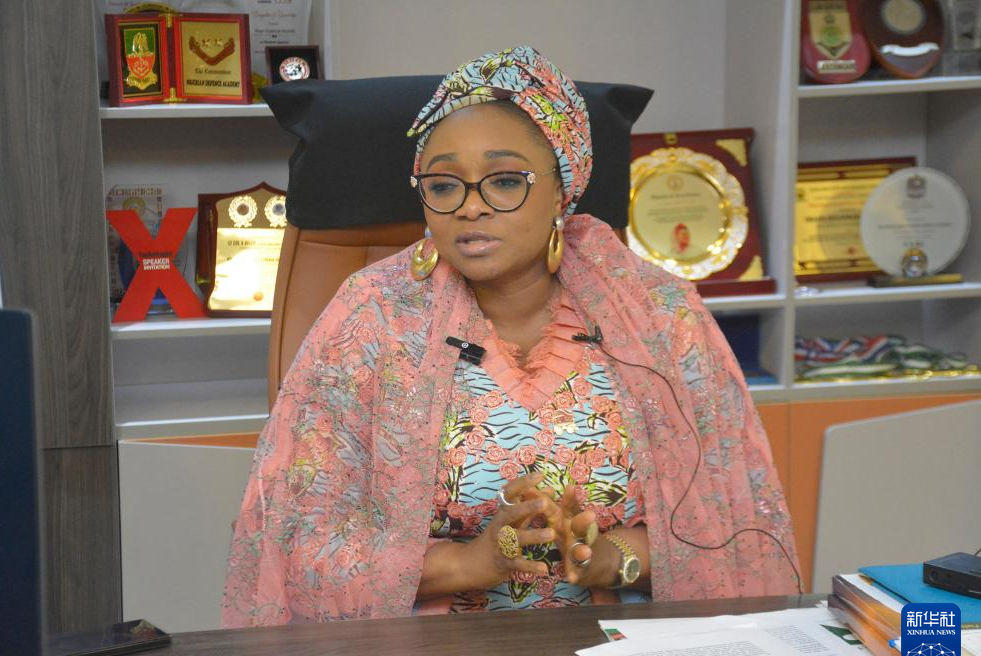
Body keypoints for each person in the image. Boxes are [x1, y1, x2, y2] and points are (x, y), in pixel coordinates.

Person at [222, 45, 799, 626]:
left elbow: (732, 532)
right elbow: (298, 539)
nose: (470, 208)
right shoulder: (371, 318)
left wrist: (608, 559)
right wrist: (469, 564)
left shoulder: (659, 316)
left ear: (562, 190)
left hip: (624, 647)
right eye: (443, 185)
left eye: (504, 181)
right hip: (430, 654)